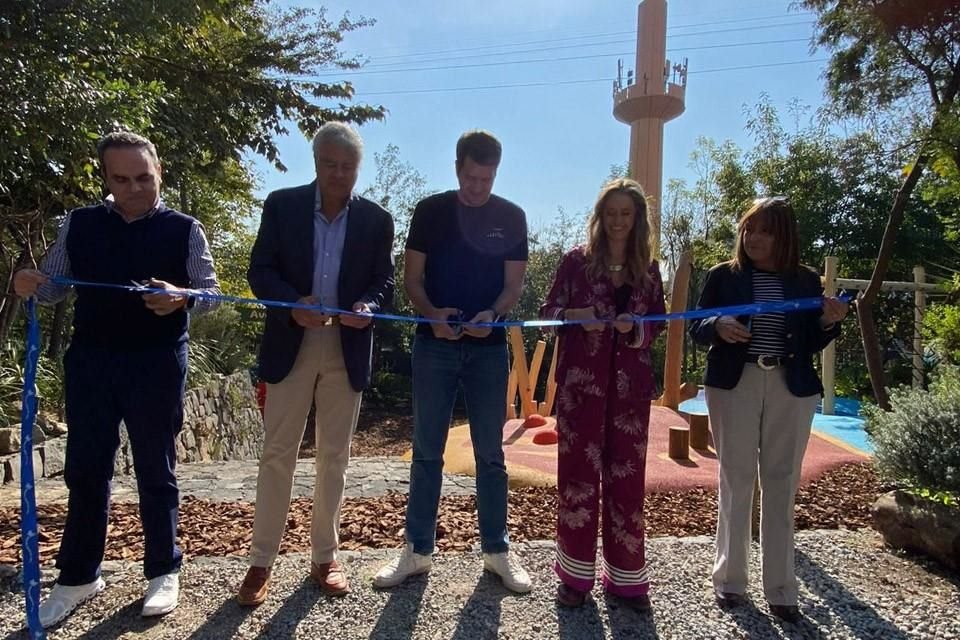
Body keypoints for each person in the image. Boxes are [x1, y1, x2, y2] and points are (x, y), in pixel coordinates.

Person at [12, 131, 221, 628]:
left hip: (157, 361)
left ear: (159, 171)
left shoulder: (185, 229)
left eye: (143, 177)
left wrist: (182, 296)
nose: (134, 188)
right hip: (91, 360)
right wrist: (29, 283)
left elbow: (213, 296)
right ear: (106, 178)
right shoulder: (78, 225)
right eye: (121, 179)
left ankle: (163, 570)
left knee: (156, 467)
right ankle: (80, 575)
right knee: (85, 469)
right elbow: (54, 291)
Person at [237, 122, 395, 605]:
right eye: (330, 164)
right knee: (277, 456)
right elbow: (258, 271)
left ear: (357, 169)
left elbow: (383, 281)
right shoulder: (281, 206)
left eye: (347, 166)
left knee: (335, 459)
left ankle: (324, 558)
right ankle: (261, 562)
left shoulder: (377, 219)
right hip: (292, 344)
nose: (339, 174)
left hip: (345, 349)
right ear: (316, 162)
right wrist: (290, 303)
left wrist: (367, 307)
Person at [373, 130, 531, 593]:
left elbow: (514, 287)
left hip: (488, 349)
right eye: (470, 177)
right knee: (426, 453)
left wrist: (494, 315)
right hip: (433, 344)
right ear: (457, 167)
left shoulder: (512, 216)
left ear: (496, 173)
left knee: (491, 456)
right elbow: (412, 279)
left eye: (486, 178)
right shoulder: (430, 211)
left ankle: (497, 551)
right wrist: (431, 314)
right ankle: (417, 551)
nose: (478, 186)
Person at [688, 196, 848, 624]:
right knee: (736, 479)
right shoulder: (723, 276)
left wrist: (830, 321)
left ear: (784, 236)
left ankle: (781, 589)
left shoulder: (805, 280)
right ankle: (730, 582)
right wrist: (717, 326)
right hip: (734, 385)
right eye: (749, 229)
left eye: (764, 230)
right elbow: (696, 327)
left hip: (790, 388)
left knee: (781, 482)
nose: (754, 237)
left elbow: (812, 339)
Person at [539, 178, 665, 610]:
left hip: (630, 393)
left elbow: (661, 321)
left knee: (627, 482)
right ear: (599, 216)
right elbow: (547, 312)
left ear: (637, 218)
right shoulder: (576, 261)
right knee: (577, 481)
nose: (617, 221)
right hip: (580, 389)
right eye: (610, 213)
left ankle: (628, 581)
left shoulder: (649, 268)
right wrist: (576, 316)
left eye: (625, 213)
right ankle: (574, 579)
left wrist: (637, 330)